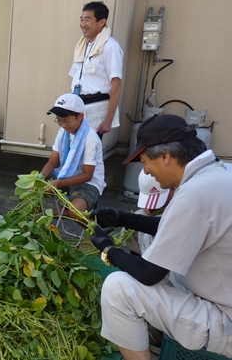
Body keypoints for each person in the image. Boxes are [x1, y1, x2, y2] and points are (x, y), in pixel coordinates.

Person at [91, 114, 232, 359]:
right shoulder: (219, 173)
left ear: (166, 157)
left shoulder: (194, 194)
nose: (146, 171)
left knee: (118, 288)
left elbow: (148, 273)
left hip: (225, 320)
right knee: (167, 263)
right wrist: (123, 218)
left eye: (145, 162)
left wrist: (108, 250)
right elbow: (175, 229)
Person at [40, 93, 105, 219]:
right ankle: (35, 230)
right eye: (59, 120)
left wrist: (58, 182)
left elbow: (88, 175)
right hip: (65, 175)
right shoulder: (63, 133)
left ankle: (92, 232)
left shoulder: (90, 138)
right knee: (31, 193)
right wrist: (38, 179)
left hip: (89, 183)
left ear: (80, 116)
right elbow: (52, 162)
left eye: (67, 121)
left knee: (75, 211)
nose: (63, 125)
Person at [69, 1, 123, 135]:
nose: (83, 24)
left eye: (88, 20)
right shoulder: (84, 45)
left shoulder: (110, 47)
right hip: (77, 104)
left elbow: (116, 85)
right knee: (73, 151)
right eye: (81, 19)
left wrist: (108, 120)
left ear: (102, 22)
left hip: (96, 105)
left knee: (88, 152)